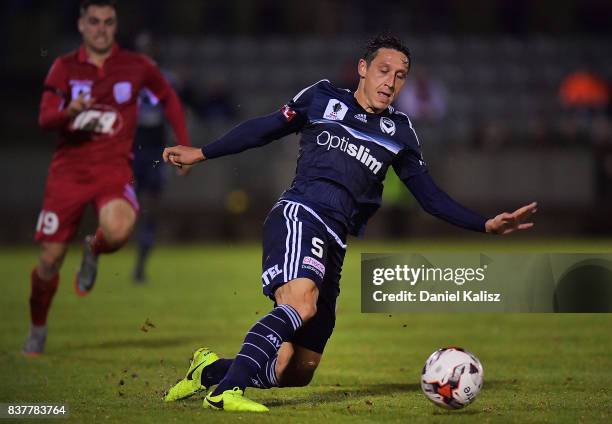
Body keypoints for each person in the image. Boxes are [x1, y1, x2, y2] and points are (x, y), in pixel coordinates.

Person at [161, 34, 537, 412]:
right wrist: (202, 153)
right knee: (302, 303)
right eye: (384, 70)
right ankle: (226, 393)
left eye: (401, 75)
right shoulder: (322, 98)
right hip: (300, 213)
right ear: (363, 68)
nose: (390, 82)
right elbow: (264, 128)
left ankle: (209, 372)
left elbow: (430, 197)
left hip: (335, 241)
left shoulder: (400, 133)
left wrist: (485, 224)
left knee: (297, 368)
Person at [24, 0, 191, 356]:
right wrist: (66, 111)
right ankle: (37, 328)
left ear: (115, 26)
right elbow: (44, 118)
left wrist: (184, 144)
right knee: (50, 260)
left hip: (113, 171)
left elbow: (169, 98)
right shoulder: (64, 68)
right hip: (67, 173)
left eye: (108, 21)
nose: (101, 28)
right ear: (82, 25)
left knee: (118, 232)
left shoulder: (136, 66)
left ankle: (93, 248)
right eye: (94, 21)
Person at [131, 32, 192, 283]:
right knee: (127, 207)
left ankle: (140, 265)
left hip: (153, 149)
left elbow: (176, 112)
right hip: (131, 150)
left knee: (150, 209)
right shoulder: (127, 78)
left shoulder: (166, 80)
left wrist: (182, 146)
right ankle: (108, 249)